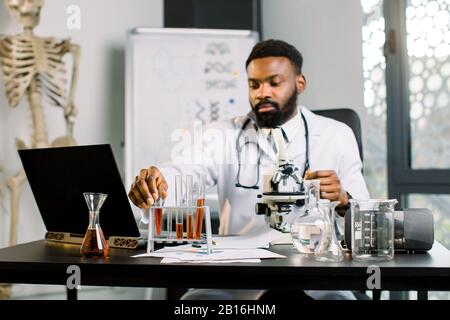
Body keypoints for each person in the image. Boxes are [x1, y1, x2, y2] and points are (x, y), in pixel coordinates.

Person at [128, 39, 369, 300]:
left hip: (317, 278)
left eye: (274, 83)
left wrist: (344, 200)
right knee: (194, 303)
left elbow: (367, 220)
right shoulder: (222, 135)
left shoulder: (336, 135)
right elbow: (185, 170)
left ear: (300, 83)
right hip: (236, 278)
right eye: (254, 84)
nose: (262, 93)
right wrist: (161, 180)